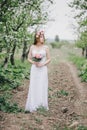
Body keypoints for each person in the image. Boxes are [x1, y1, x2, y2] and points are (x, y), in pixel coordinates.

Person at [25, 31, 51, 112]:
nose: (42, 38)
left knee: (42, 85)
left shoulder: (46, 47)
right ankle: (33, 104)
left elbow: (49, 58)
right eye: (41, 36)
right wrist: (34, 62)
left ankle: (42, 104)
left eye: (43, 37)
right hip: (34, 69)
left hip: (43, 69)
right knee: (34, 85)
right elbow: (28, 58)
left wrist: (43, 64)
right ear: (37, 38)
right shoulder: (32, 47)